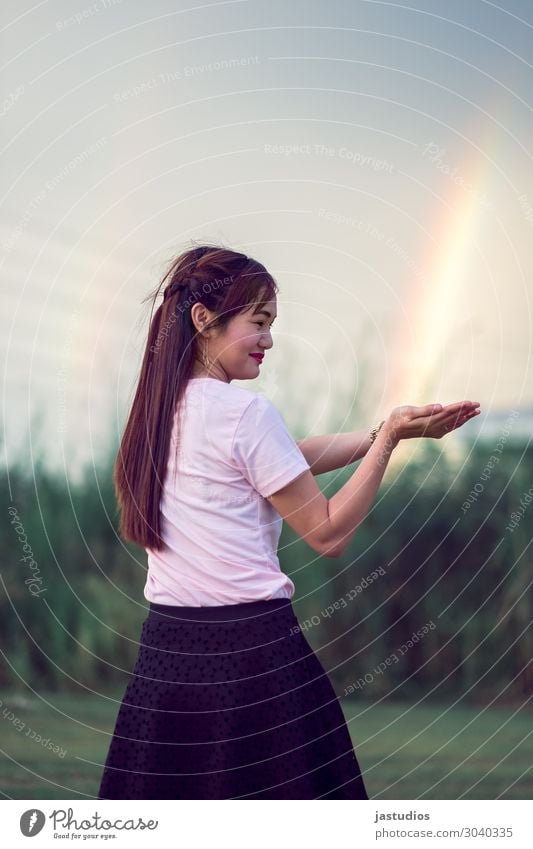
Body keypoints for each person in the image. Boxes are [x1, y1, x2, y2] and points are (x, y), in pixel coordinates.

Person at [97, 242, 480, 800]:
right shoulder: (244, 413)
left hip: (167, 658)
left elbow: (289, 455)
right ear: (204, 321)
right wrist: (392, 438)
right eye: (258, 322)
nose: (269, 340)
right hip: (254, 654)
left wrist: (380, 436)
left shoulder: (159, 414)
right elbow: (327, 532)